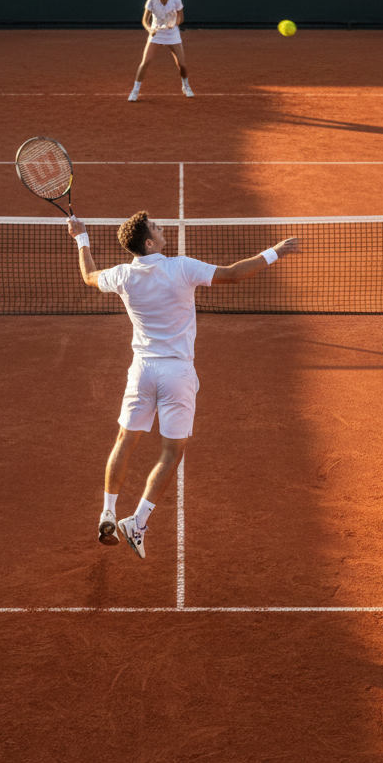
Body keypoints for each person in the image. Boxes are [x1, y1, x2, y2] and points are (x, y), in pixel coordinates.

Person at [67, 211, 299, 558]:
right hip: (177, 374)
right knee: (171, 452)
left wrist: (80, 237)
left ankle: (108, 512)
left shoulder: (123, 276)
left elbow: (87, 275)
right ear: (149, 242)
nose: (162, 230)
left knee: (124, 441)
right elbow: (233, 275)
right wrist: (276, 251)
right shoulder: (181, 267)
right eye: (157, 229)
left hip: (142, 371)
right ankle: (138, 521)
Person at [128, 0, 193, 102]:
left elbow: (181, 19)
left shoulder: (176, 0)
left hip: (172, 34)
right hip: (156, 34)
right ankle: (135, 90)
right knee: (145, 62)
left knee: (182, 64)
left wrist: (174, 23)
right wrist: (150, 29)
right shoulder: (151, 1)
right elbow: (145, 20)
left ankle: (186, 86)